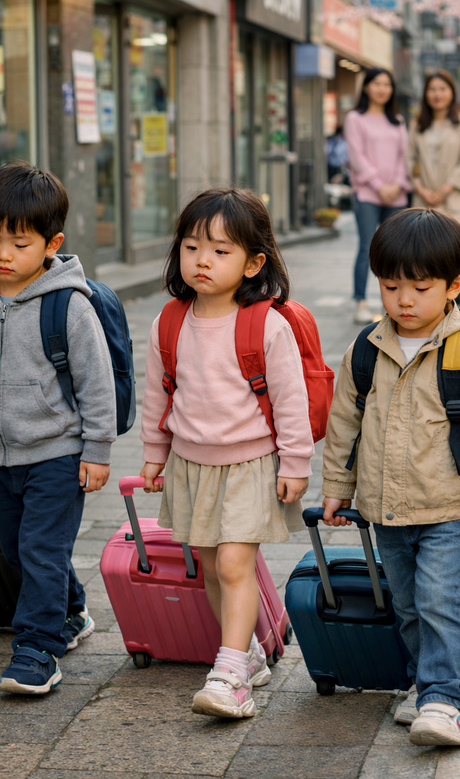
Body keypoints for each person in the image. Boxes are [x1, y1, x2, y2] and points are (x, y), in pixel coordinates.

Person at [322, 208, 460, 747]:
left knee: (439, 601)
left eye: (420, 288)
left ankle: (445, 699)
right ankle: (421, 683)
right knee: (406, 604)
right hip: (388, 511)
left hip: (449, 510)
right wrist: (337, 486)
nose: (404, 300)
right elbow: (344, 425)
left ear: (454, 286)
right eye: (390, 286)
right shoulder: (365, 350)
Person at [0, 162, 116, 695]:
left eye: (18, 243)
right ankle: (72, 610)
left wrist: (97, 450)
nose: (2, 255)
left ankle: (37, 649)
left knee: (40, 550)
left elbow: (96, 384)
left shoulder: (69, 305)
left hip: (56, 455)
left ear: (51, 243)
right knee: (19, 550)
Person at [139, 188, 313, 720]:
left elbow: (291, 400)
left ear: (253, 262)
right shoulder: (169, 321)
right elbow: (158, 394)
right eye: (192, 248)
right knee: (212, 568)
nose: (202, 261)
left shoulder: (265, 324)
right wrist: (154, 453)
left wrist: (296, 463)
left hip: (249, 464)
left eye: (219, 251)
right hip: (192, 464)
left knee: (236, 563)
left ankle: (231, 672)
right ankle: (250, 654)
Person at [344, 67, 410, 325]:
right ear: (367, 87)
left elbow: (405, 157)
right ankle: (360, 301)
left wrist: (398, 184)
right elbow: (356, 156)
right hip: (367, 193)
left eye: (387, 84)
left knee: (399, 251)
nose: (382, 89)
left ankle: (399, 301)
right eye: (377, 83)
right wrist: (378, 184)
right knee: (366, 247)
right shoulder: (355, 118)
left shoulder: (398, 121)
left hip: (396, 195)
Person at [407, 70, 460, 228]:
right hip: (423, 201)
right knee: (422, 250)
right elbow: (411, 159)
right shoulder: (416, 125)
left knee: (455, 249)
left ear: (452, 93)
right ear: (425, 93)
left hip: (455, 200)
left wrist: (445, 189)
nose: (437, 94)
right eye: (432, 89)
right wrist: (420, 188)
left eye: (442, 89)